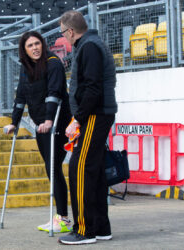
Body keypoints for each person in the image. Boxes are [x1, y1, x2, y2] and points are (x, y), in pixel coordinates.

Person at [58, 11, 118, 245]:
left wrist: (77, 120)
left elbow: (92, 88)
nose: (64, 38)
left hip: (94, 115)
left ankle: (84, 230)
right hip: (98, 114)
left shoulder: (89, 47)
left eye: (63, 33)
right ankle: (101, 227)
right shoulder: (92, 44)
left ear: (71, 32)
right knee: (94, 171)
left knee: (80, 169)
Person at [3, 31, 72, 233]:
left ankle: (64, 219)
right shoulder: (27, 69)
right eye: (30, 46)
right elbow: (20, 98)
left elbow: (54, 93)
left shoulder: (53, 63)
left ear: (42, 44)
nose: (34, 48)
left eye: (37, 43)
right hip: (41, 124)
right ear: (24, 50)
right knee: (50, 168)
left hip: (58, 122)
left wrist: (49, 119)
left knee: (53, 167)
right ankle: (62, 217)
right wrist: (14, 123)